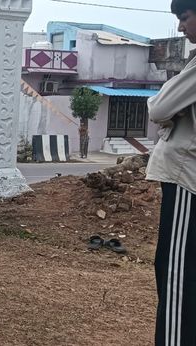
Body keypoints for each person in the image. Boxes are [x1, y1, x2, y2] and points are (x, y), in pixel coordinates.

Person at [147, 1, 196, 344]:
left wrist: (171, 113)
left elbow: (159, 108)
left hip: (187, 179)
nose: (180, 28)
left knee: (177, 273)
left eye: (184, 17)